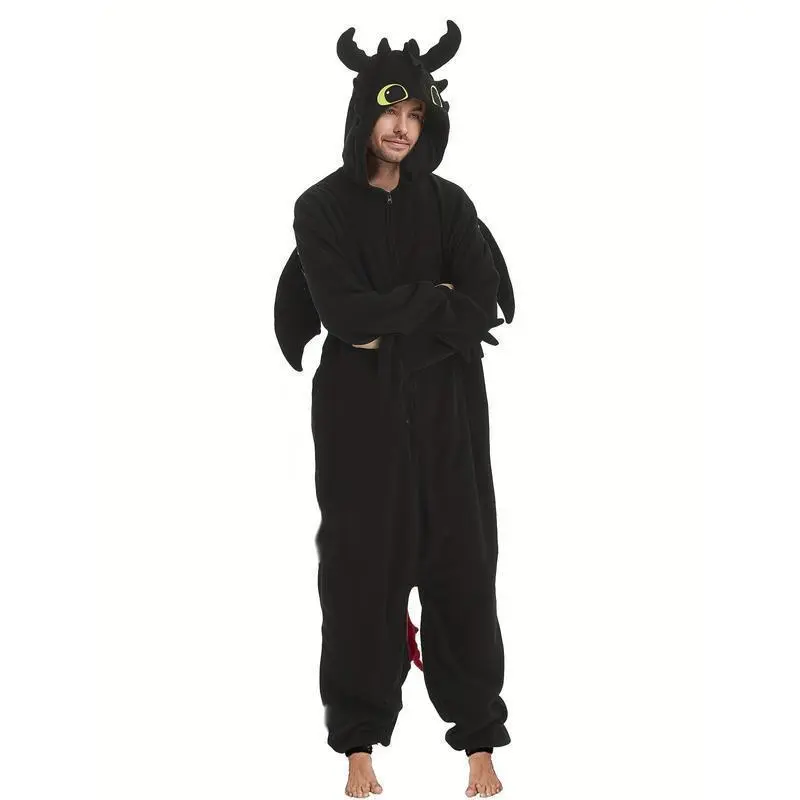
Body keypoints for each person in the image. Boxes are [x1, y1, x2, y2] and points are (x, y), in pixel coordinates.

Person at [284, 20, 514, 798]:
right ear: (363, 112)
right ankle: (358, 744)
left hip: (451, 408)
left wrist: (396, 317)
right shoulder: (321, 208)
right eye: (391, 110)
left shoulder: (450, 206)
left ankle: (479, 740)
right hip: (358, 412)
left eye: (417, 114)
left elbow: (479, 304)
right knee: (361, 568)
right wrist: (432, 301)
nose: (402, 128)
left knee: (462, 562)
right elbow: (343, 316)